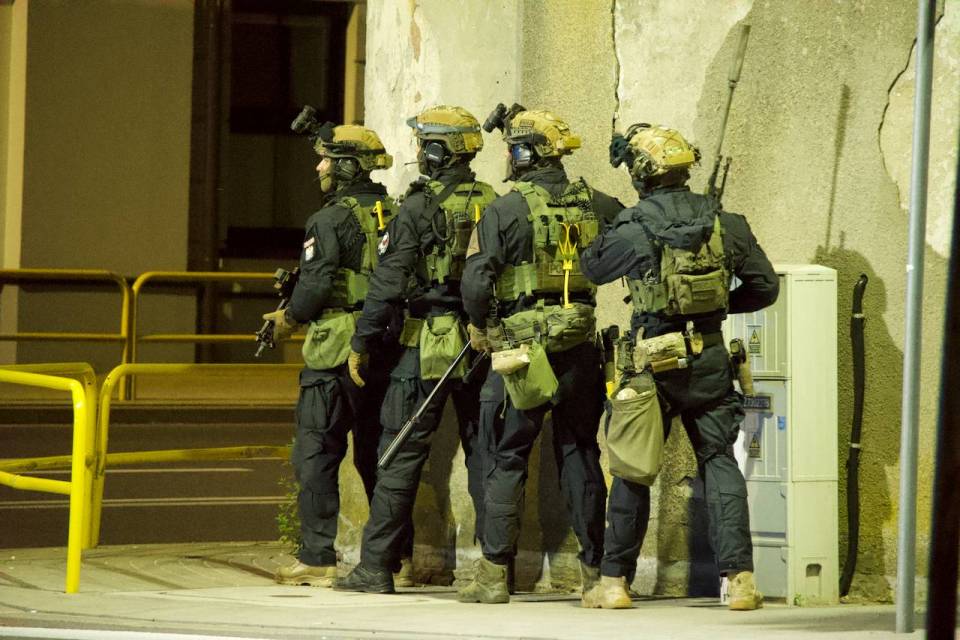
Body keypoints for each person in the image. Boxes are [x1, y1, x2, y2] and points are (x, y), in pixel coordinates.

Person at [578, 123, 778, 610]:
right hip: (709, 357)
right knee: (720, 460)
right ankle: (741, 580)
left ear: (640, 174)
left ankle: (614, 583)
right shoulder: (726, 222)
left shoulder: (633, 226)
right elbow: (765, 287)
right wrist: (718, 308)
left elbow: (593, 269)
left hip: (651, 360)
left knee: (632, 468)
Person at [457, 105, 624, 604]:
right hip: (580, 351)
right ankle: (596, 574)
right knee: (581, 453)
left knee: (506, 456)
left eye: (512, 148)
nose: (508, 157)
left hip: (521, 354)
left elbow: (476, 282)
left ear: (526, 154)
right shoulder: (599, 204)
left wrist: (483, 327)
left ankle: (494, 576)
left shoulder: (504, 211)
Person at [333, 105, 498, 594]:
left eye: (424, 143)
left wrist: (362, 341)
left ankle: (376, 565)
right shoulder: (494, 201)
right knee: (486, 453)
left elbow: (388, 279)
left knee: (398, 451)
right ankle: (495, 566)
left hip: (426, 341)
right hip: (480, 343)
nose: (419, 152)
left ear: (438, 150)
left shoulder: (418, 206)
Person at [265, 118, 410, 587]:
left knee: (316, 453)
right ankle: (394, 558)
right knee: (379, 454)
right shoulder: (396, 212)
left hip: (334, 350)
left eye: (327, 159)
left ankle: (316, 557)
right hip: (387, 344)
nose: (320, 167)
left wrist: (287, 318)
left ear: (347, 167)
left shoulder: (327, 220)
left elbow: (314, 286)